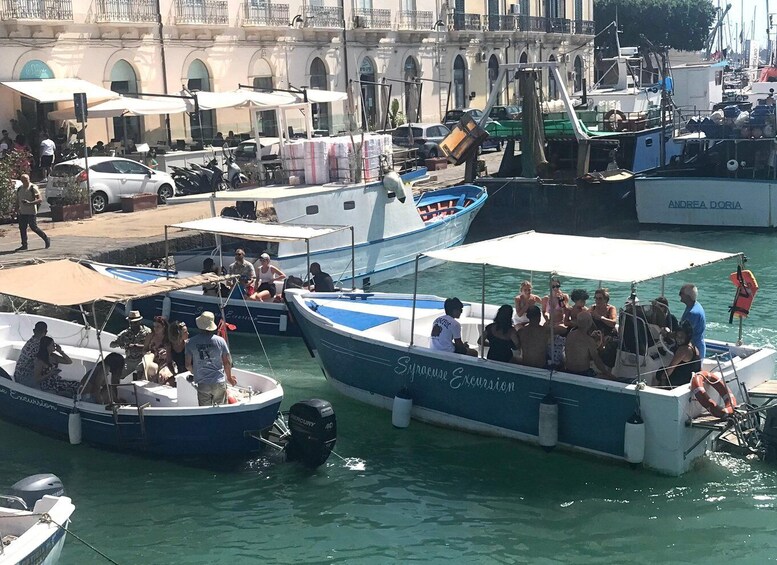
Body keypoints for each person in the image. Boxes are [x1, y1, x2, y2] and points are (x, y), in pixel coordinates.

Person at [185, 312, 236, 406]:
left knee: (205, 411)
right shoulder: (220, 341)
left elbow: (188, 365)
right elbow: (227, 362)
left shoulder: (190, 342)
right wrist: (229, 378)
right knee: (222, 410)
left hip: (203, 383)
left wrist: (195, 373)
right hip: (218, 382)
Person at [564, 312, 615, 379]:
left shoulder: (570, 335)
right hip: (583, 373)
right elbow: (597, 361)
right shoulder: (589, 340)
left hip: (568, 371)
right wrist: (608, 373)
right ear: (589, 322)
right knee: (608, 378)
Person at [658, 321, 701, 388]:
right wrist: (667, 333)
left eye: (681, 337)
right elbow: (673, 335)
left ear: (687, 337)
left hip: (683, 382)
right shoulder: (693, 347)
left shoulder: (682, 350)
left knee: (660, 372)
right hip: (691, 378)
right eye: (677, 336)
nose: (678, 339)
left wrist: (663, 382)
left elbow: (670, 369)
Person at [110, 310, 151, 377]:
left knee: (141, 372)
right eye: (131, 323)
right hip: (129, 359)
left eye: (135, 323)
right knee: (117, 374)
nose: (132, 325)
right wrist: (123, 344)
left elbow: (152, 346)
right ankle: (113, 387)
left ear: (139, 322)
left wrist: (137, 346)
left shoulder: (147, 332)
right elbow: (112, 344)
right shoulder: (125, 333)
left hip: (142, 359)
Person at [15, 174, 49, 251]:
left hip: (31, 211)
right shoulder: (20, 189)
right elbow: (17, 200)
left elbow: (40, 199)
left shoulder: (33, 188)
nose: (25, 182)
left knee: (33, 227)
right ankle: (24, 245)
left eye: (26, 180)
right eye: (23, 180)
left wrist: (30, 203)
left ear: (29, 179)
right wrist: (16, 209)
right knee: (22, 228)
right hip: (23, 212)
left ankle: (46, 238)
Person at [13, 321, 47, 387]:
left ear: (34, 331)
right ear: (45, 332)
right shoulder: (39, 346)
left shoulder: (31, 341)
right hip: (25, 379)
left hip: (17, 375)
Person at [679, 283, 706, 358]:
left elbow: (684, 333)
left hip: (694, 350)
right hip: (696, 345)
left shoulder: (693, 313)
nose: (679, 295)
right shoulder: (694, 305)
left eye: (681, 293)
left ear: (688, 296)